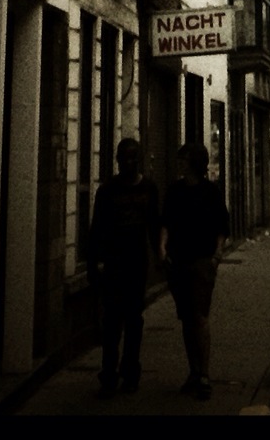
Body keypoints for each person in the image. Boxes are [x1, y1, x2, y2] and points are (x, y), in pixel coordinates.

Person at [87, 139, 160, 396]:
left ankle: (129, 372)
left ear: (139, 159)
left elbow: (154, 225)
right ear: (117, 160)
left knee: (133, 320)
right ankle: (109, 373)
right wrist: (94, 262)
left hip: (136, 262)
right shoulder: (107, 191)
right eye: (124, 158)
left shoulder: (149, 188)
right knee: (112, 321)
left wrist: (160, 256)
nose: (128, 163)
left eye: (132, 158)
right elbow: (97, 228)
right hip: (114, 262)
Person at [161, 142, 231, 400]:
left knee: (200, 316)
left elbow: (222, 225)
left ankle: (204, 374)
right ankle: (194, 370)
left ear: (194, 163)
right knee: (187, 318)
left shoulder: (210, 192)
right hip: (178, 261)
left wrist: (216, 255)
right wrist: (162, 248)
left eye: (184, 159)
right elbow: (166, 222)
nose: (180, 163)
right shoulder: (174, 191)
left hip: (201, 262)